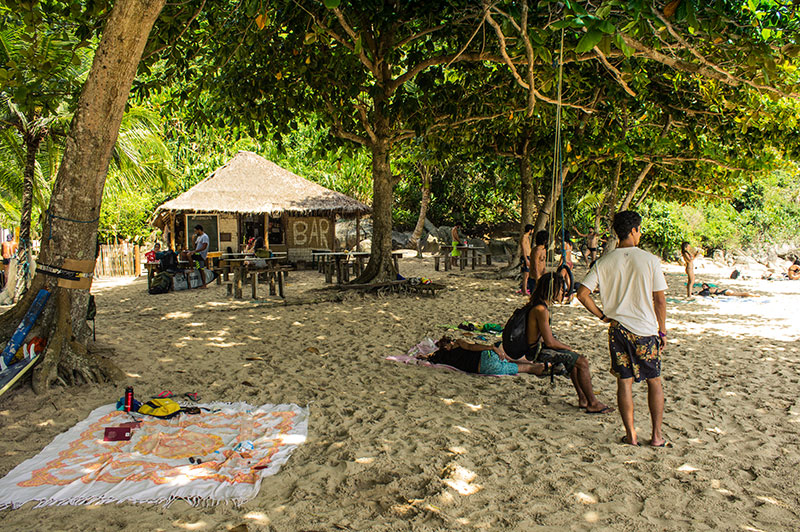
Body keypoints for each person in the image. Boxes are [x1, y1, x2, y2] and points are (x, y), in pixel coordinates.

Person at [576, 210, 669, 447]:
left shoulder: (604, 262)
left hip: (618, 330)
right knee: (654, 381)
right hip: (646, 331)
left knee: (624, 382)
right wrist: (662, 330)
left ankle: (631, 435)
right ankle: (657, 436)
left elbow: (582, 294)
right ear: (635, 230)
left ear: (617, 233)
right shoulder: (650, 260)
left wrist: (602, 316)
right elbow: (659, 299)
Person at [525, 272, 614, 414]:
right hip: (537, 350)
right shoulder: (541, 309)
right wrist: (568, 348)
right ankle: (593, 402)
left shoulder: (539, 305)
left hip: (538, 346)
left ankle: (583, 399)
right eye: (561, 289)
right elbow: (550, 342)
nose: (563, 293)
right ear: (552, 289)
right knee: (582, 361)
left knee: (573, 361)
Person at [423, 336, 547, 376]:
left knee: (527, 370)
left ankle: (540, 367)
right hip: (485, 357)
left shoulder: (442, 357)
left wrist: (424, 357)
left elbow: (428, 357)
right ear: (450, 342)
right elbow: (472, 347)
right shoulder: (458, 343)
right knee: (502, 349)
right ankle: (530, 360)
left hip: (484, 369)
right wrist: (492, 347)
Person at [519, 224, 535, 295]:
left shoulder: (527, 238)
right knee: (526, 275)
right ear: (530, 230)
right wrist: (526, 259)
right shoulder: (524, 237)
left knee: (528, 274)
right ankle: (524, 290)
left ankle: (525, 289)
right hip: (526, 257)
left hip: (529, 256)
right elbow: (524, 249)